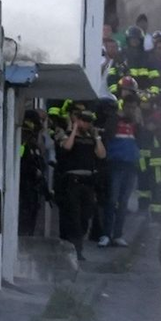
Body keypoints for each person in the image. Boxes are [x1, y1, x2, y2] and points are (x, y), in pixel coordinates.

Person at [56, 108, 106, 260]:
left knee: (85, 217)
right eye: (83, 120)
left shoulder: (92, 138)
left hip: (88, 183)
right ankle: (76, 250)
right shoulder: (68, 135)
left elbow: (102, 154)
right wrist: (74, 129)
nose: (87, 124)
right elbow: (67, 147)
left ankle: (77, 245)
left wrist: (97, 137)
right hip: (73, 182)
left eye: (88, 121)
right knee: (75, 218)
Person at [100, 85, 143, 247]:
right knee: (112, 200)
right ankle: (106, 234)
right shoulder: (114, 119)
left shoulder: (136, 124)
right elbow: (108, 135)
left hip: (130, 165)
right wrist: (117, 118)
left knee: (123, 201)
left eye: (135, 107)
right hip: (115, 164)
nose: (132, 110)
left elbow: (141, 141)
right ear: (124, 106)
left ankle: (118, 234)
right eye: (130, 107)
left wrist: (139, 123)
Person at [124, 26, 161, 95]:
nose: (134, 40)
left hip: (145, 92)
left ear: (141, 40)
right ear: (128, 39)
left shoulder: (148, 56)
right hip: (127, 92)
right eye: (132, 38)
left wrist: (154, 91)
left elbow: (154, 75)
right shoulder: (122, 55)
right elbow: (114, 74)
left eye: (137, 38)